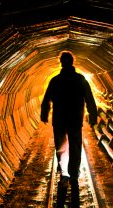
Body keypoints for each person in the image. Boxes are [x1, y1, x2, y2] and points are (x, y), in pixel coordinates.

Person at [41, 51, 98, 187]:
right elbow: (89, 98)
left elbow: (47, 98)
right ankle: (73, 174)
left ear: (61, 63)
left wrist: (44, 113)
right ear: (72, 62)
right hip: (75, 119)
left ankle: (64, 172)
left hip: (60, 119)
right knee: (75, 146)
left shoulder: (55, 80)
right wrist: (93, 116)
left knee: (61, 146)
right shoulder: (80, 79)